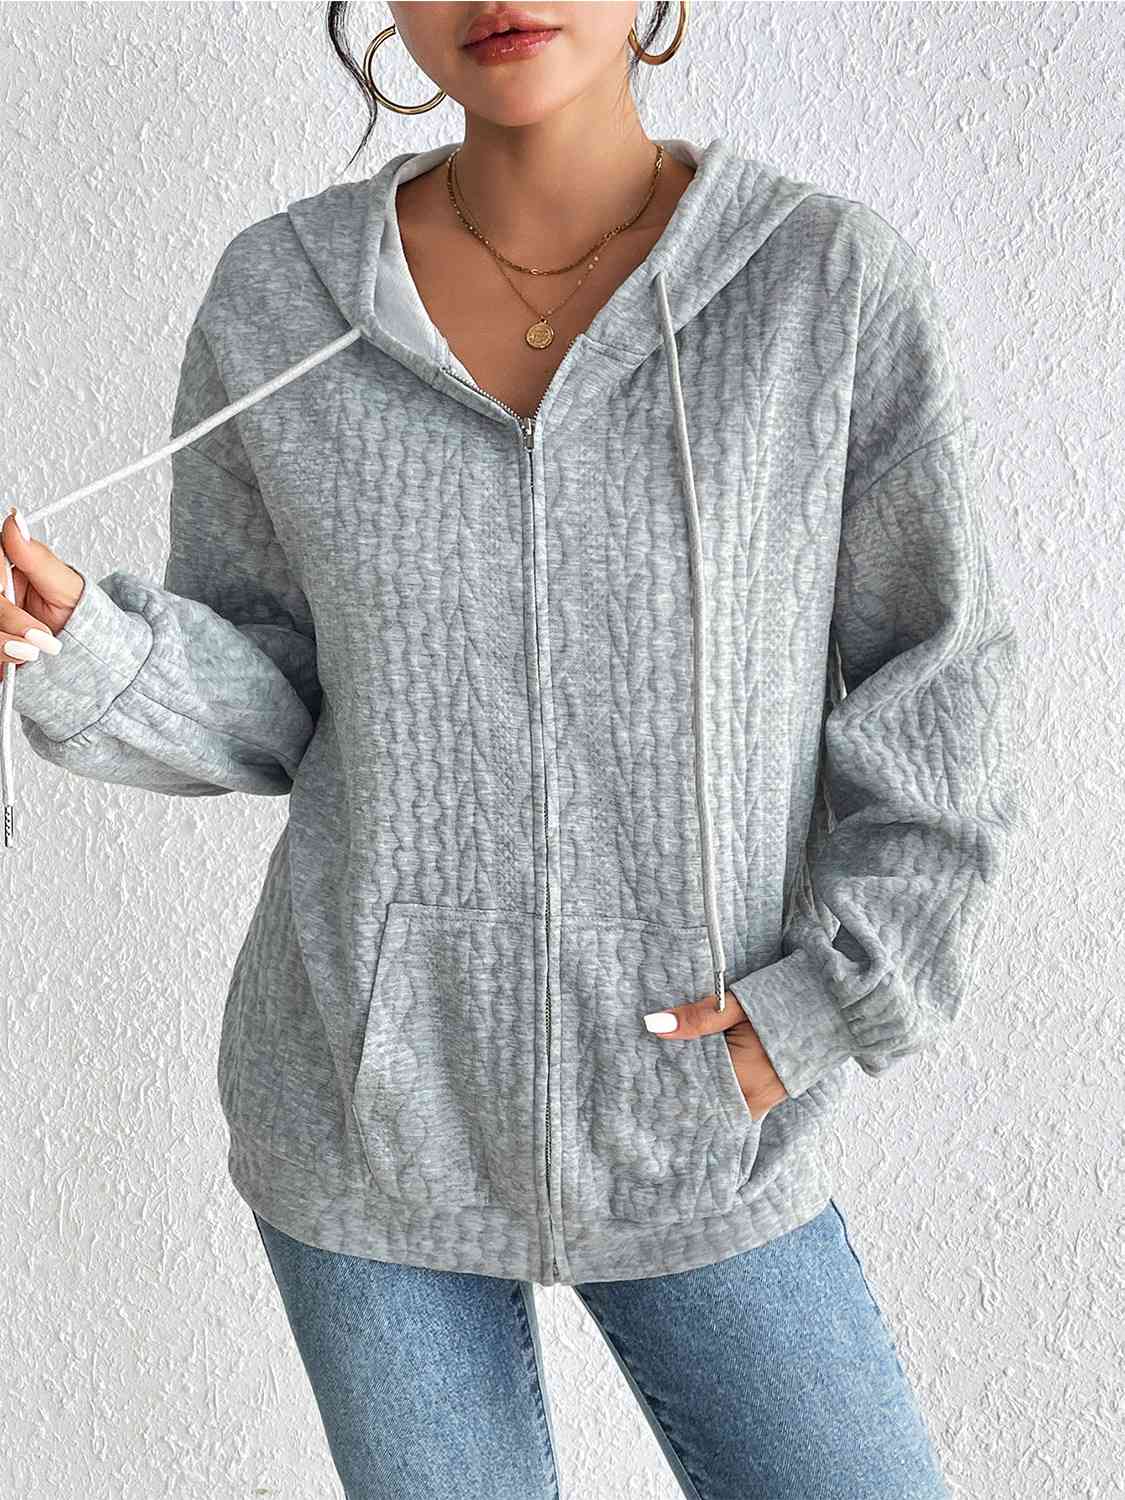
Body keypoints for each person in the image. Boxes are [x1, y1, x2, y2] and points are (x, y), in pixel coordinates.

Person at [3, 2, 1022, 1494]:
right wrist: (81, 641)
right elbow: (279, 695)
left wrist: (827, 1004)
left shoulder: (822, 285)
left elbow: (939, 678)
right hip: (367, 1112)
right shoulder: (282, 298)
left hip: (694, 1104)